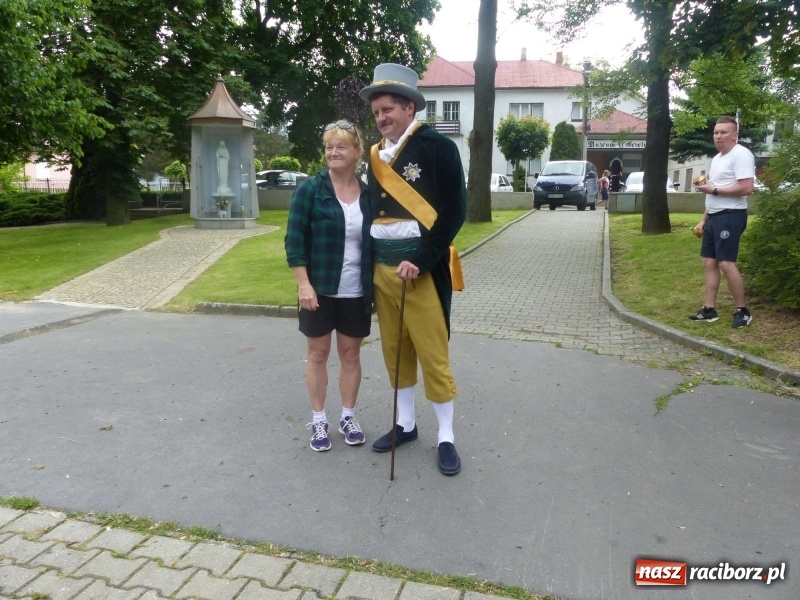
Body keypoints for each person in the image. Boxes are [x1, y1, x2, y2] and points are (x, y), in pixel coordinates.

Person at [359, 63, 466, 476]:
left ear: (408, 108)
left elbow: (454, 212)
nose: (381, 118)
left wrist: (421, 259)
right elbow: (373, 212)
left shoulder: (439, 148)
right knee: (396, 351)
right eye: (376, 113)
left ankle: (446, 436)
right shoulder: (374, 155)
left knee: (432, 354)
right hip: (383, 271)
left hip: (419, 270)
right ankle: (405, 425)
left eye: (387, 109)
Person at [285, 121, 372, 451]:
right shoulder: (310, 189)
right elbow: (294, 241)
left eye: (341, 147)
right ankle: (319, 421)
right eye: (329, 147)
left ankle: (348, 416)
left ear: (356, 152)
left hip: (355, 291)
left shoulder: (367, 195)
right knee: (317, 354)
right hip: (318, 289)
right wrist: (303, 285)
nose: (333, 153)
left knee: (351, 354)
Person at [690, 115, 755, 329]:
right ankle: (709, 310)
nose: (718, 136)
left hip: (731, 215)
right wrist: (703, 220)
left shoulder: (741, 154)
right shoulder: (718, 158)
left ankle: (742, 311)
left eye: (723, 132)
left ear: (735, 135)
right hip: (714, 217)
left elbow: (747, 187)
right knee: (709, 262)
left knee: (726, 263)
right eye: (716, 132)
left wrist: (713, 189)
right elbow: (713, 193)